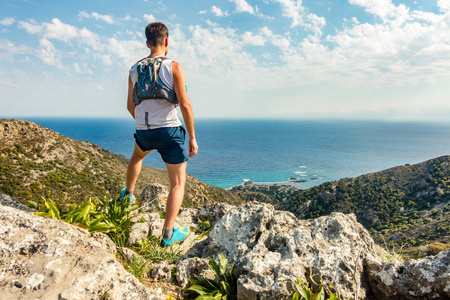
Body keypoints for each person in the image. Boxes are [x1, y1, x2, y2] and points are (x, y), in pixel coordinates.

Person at [123, 22, 198, 247]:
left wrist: (146, 124)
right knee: (177, 183)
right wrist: (192, 137)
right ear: (167, 42)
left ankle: (128, 195)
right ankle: (167, 234)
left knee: (137, 157)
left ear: (147, 43)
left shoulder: (134, 70)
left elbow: (130, 105)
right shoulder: (174, 66)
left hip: (144, 130)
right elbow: (185, 105)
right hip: (169, 131)